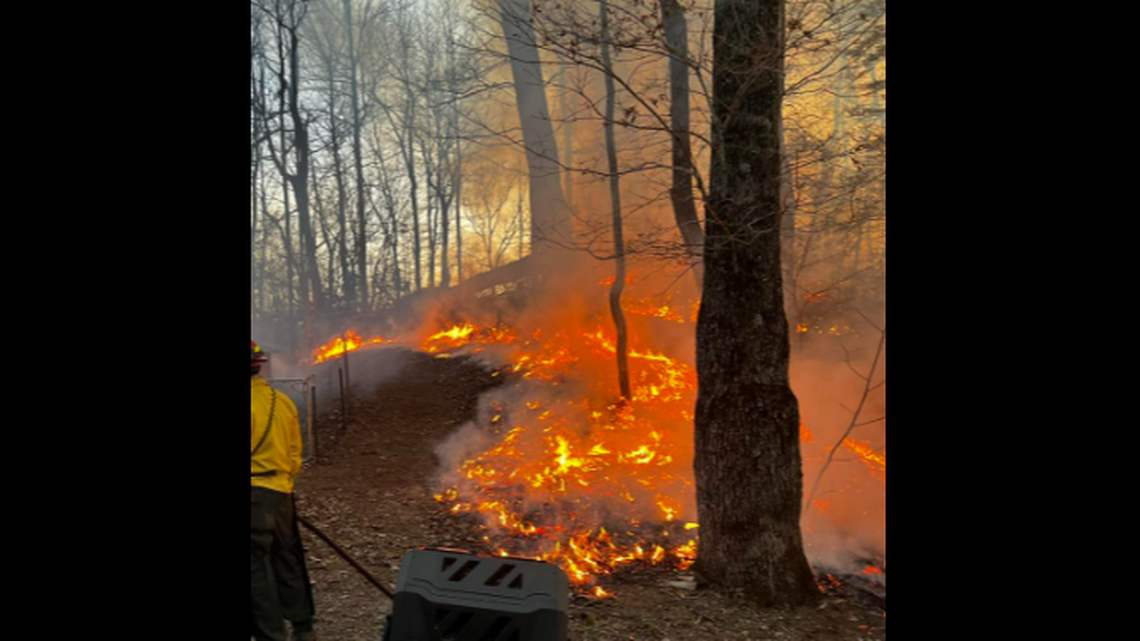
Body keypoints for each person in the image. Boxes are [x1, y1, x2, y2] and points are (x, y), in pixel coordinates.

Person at [251, 340, 317, 641]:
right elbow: (294, 455)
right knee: (287, 559)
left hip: (252, 496)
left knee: (256, 569)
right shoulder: (282, 401)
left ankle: (270, 634)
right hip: (280, 493)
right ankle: (303, 627)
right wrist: (281, 485)